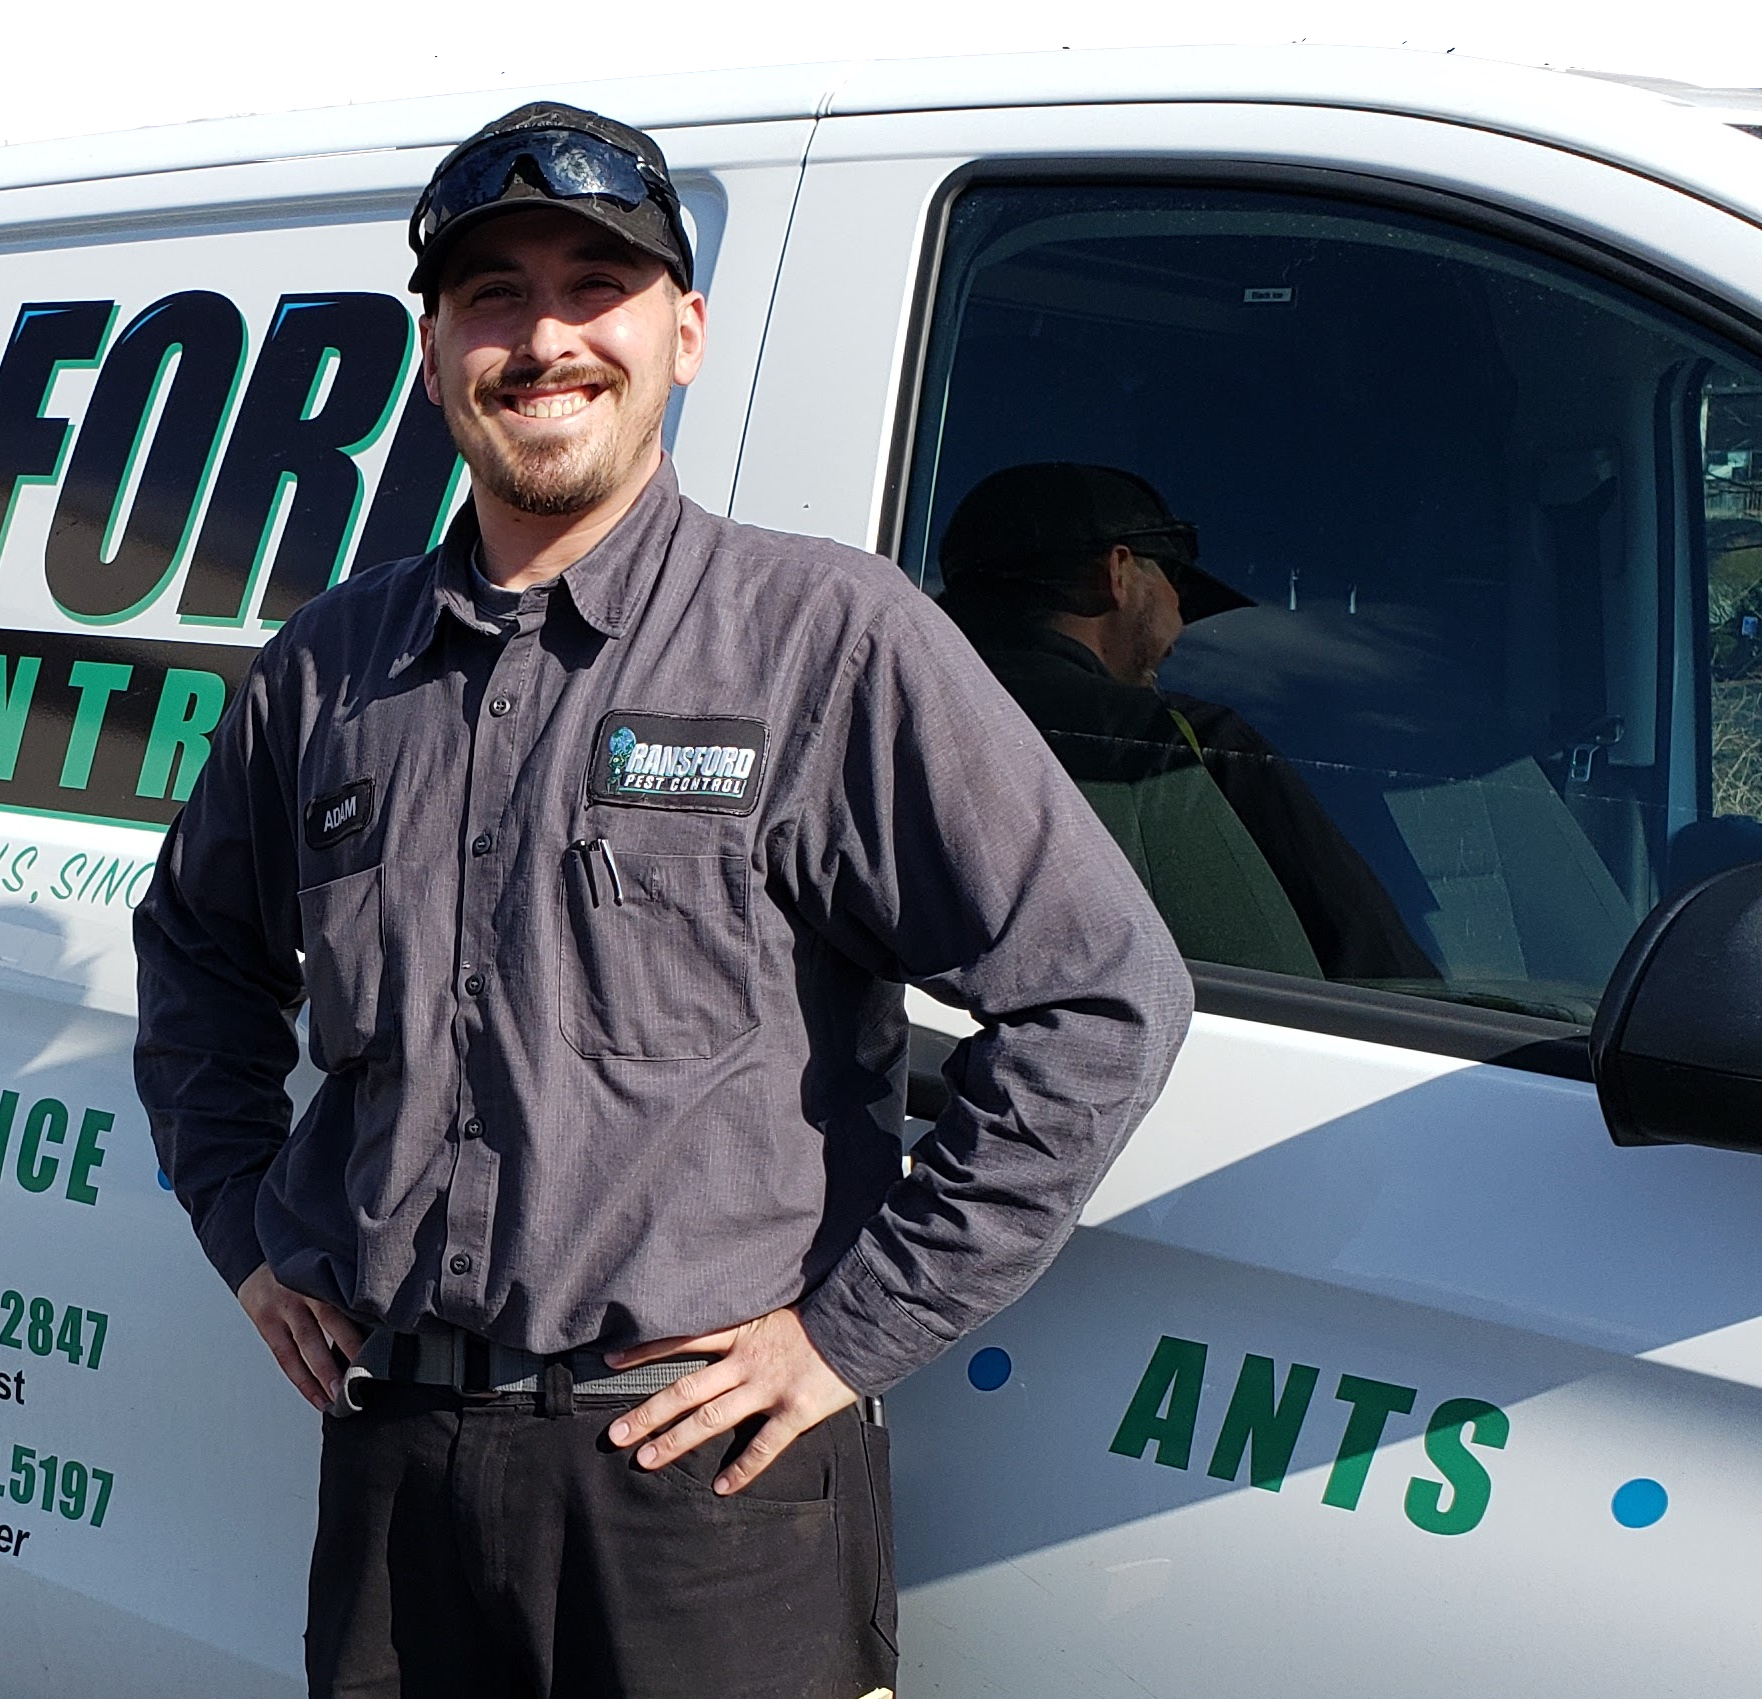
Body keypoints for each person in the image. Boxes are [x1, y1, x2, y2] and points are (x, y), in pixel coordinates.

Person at [132, 104, 1191, 1699]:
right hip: (396, 1465)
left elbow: (1101, 993)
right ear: (432, 351)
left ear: (682, 332)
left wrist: (850, 1331)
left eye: (595, 285)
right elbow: (198, 952)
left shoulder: (823, 638)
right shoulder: (325, 673)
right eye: (490, 294)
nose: (543, 337)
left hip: (704, 1490)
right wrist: (241, 1224)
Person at [935, 463, 1439, 984]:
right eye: (1176, 582)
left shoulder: (881, 723)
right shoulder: (1188, 744)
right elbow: (1388, 976)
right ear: (1119, 573)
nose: (1180, 624)